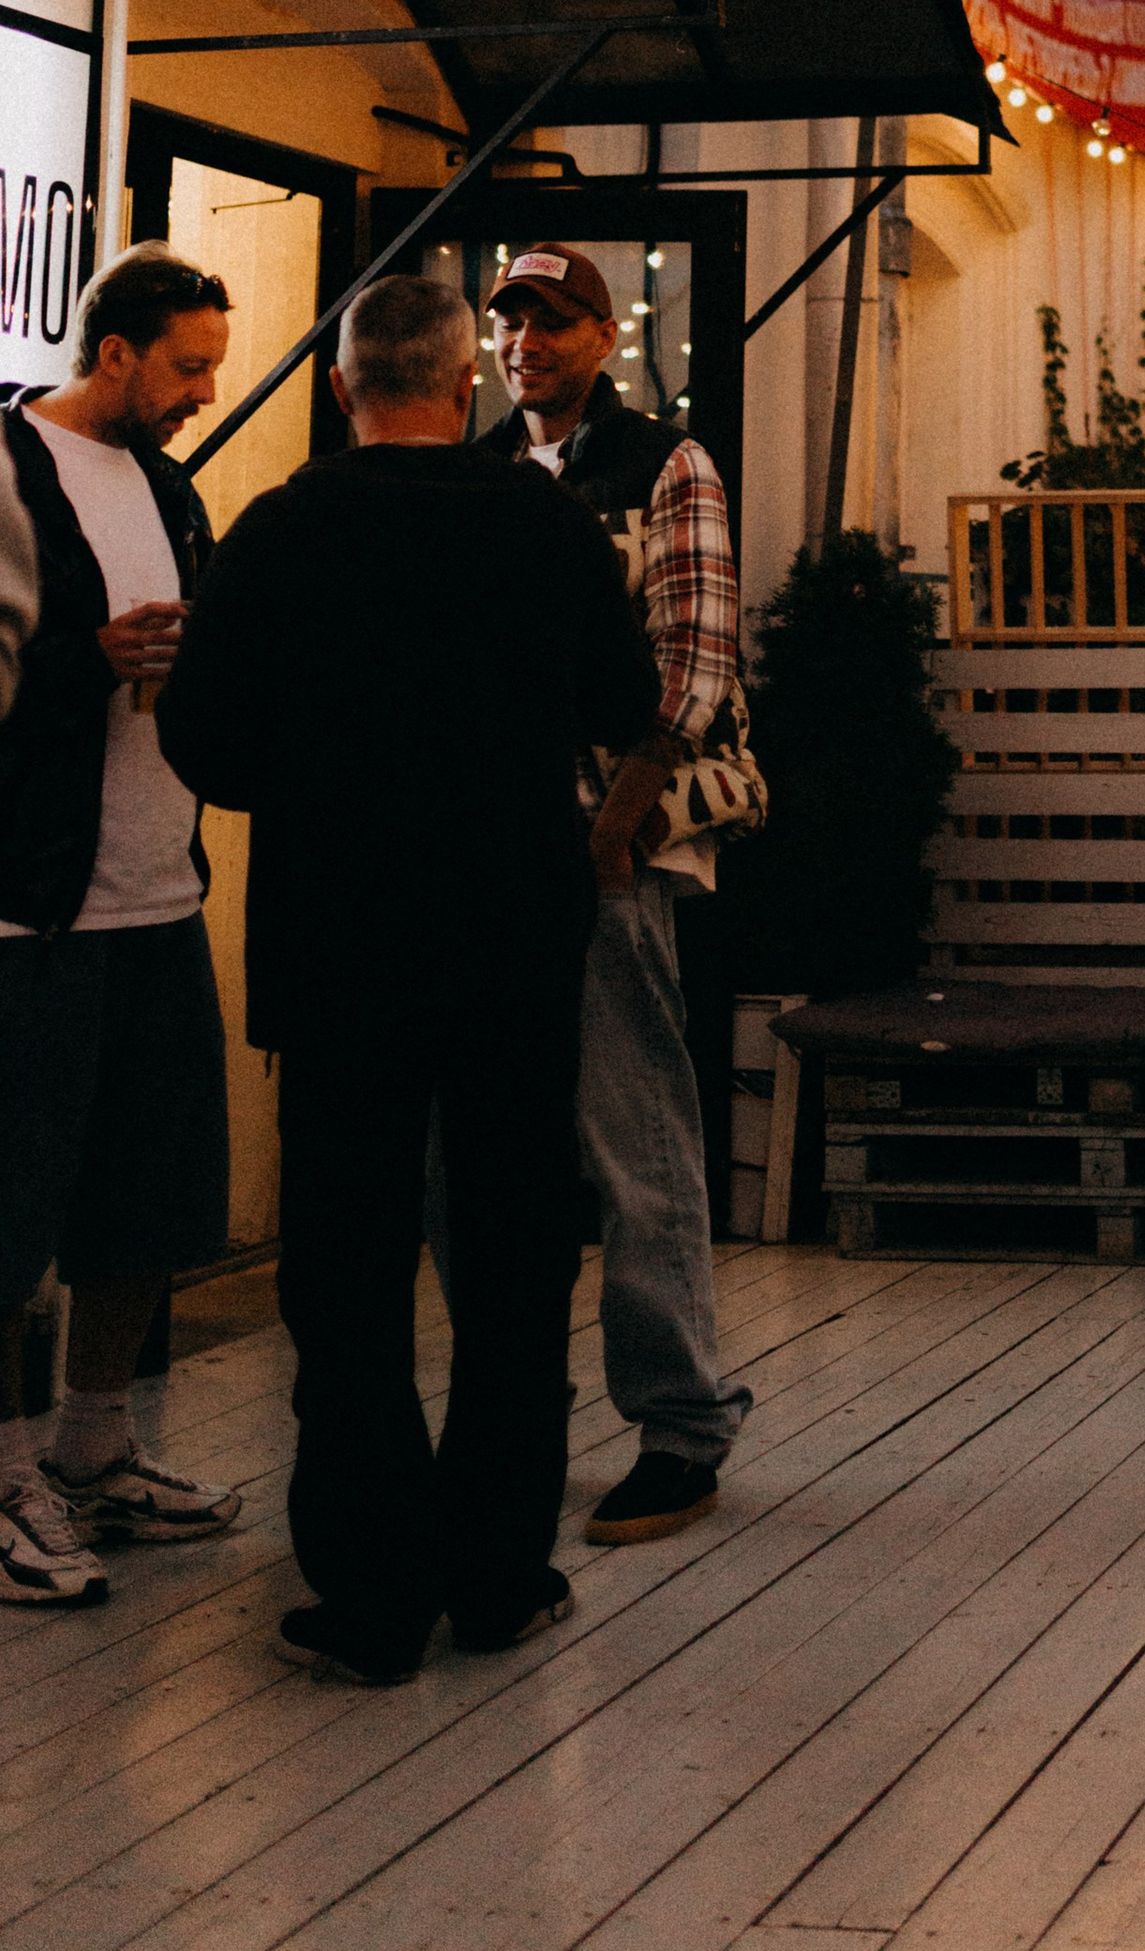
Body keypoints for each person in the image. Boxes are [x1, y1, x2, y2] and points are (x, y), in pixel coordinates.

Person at [156, 275, 656, 1685]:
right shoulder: (548, 529)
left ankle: (369, 1591)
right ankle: (497, 1574)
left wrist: (304, 788)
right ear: (464, 384)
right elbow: (629, 708)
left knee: (347, 1261)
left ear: (339, 387)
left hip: (338, 940)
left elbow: (202, 736)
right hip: (512, 940)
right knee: (509, 1252)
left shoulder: (283, 529)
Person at [476, 245, 752, 1543]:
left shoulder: (663, 463)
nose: (527, 340)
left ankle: (682, 1428)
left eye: (553, 321)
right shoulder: (480, 472)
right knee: (507, 1146)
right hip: (497, 844)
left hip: (607, 844)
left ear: (603, 334)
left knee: (635, 1132)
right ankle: (506, 1427)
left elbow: (694, 665)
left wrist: (622, 823)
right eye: (511, 320)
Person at [0, 250, 240, 1612]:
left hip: (160, 887)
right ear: (115, 356)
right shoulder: (12, 471)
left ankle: (95, 1444)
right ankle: (5, 1476)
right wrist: (84, 662)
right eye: (188, 365)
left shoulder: (168, 489)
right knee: (10, 1202)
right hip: (32, 903)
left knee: (149, 1187)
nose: (205, 390)